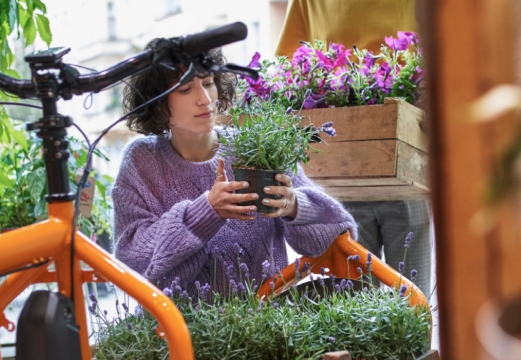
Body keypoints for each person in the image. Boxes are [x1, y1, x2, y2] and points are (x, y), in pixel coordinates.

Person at [276, 0, 442, 360]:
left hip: (405, 180)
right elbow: (288, 76)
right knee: (348, 316)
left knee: (411, 310)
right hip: (335, 192)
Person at [112, 42, 356, 294]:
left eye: (208, 83)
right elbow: (132, 260)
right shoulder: (141, 160)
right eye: (185, 89)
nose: (205, 99)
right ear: (157, 100)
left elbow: (339, 229)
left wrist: (295, 206)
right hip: (180, 329)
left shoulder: (254, 145)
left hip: (266, 321)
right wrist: (204, 213)